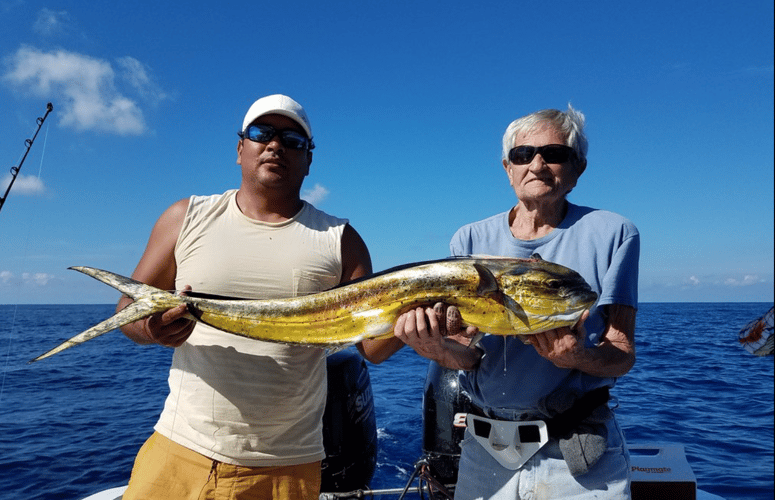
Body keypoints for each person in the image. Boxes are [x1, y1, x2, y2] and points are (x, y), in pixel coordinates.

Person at [116, 94, 393, 500]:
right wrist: (152, 328)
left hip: (288, 467)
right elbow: (127, 311)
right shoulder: (186, 217)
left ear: (308, 159)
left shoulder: (343, 242)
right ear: (240, 148)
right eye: (262, 133)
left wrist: (419, 327)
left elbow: (371, 346)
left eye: (293, 140)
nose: (276, 145)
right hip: (180, 450)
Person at [393, 105, 639, 499]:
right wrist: (437, 348)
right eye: (524, 154)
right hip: (485, 453)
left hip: (577, 455)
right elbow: (467, 355)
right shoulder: (469, 241)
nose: (538, 164)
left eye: (554, 154)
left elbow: (623, 352)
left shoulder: (614, 233)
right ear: (508, 168)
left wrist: (577, 357)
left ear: (578, 169)